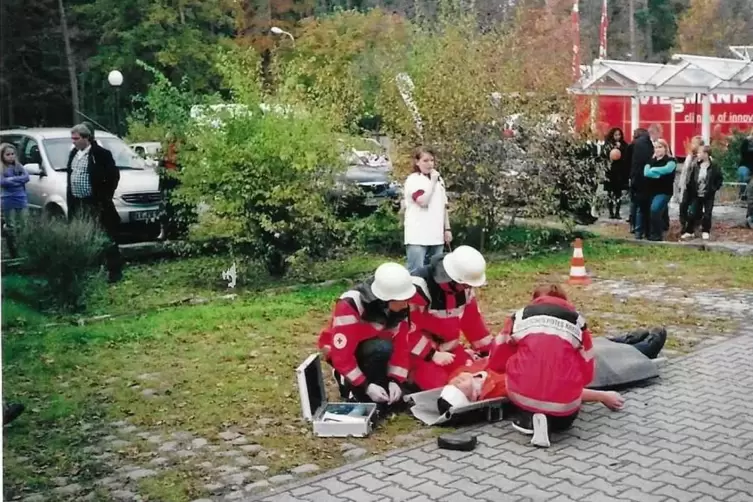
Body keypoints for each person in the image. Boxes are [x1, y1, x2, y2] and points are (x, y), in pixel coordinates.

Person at [486, 284, 594, 448]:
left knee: (517, 366)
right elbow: (587, 369)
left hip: (524, 396)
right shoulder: (578, 322)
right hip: (564, 408)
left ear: (535, 299)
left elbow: (497, 356)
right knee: (564, 420)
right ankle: (552, 423)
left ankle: (529, 420)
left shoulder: (520, 317)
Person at [318, 262, 414, 406]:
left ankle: (378, 382)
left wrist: (395, 380)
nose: (406, 305)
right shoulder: (350, 304)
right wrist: (365, 386)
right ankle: (347, 381)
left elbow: (402, 347)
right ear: (385, 300)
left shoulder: (399, 308)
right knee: (381, 347)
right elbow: (341, 356)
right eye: (402, 301)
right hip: (342, 352)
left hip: (372, 347)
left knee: (383, 349)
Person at [405, 246, 493, 391]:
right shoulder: (418, 288)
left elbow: (473, 322)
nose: (468, 288)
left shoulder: (464, 288)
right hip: (418, 355)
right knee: (442, 388)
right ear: (452, 278)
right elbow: (406, 330)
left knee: (474, 377)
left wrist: (488, 351)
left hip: (450, 351)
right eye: (465, 284)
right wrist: (432, 354)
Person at [66, 123, 123, 283]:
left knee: (105, 236)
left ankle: (114, 271)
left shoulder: (100, 154)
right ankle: (92, 270)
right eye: (73, 139)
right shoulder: (74, 154)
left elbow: (113, 176)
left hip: (96, 203)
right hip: (78, 203)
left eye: (76, 139)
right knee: (84, 236)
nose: (74, 142)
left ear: (86, 138)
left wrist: (104, 196)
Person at [403, 146, 451, 273]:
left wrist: (447, 229)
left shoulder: (440, 181)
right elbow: (423, 201)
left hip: (436, 235)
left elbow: (444, 206)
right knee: (417, 272)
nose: (429, 164)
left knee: (436, 273)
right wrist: (432, 183)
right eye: (425, 160)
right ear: (417, 162)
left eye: (432, 160)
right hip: (418, 235)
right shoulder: (413, 180)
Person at [680, 145, 723, 241]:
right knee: (692, 212)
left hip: (708, 194)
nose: (698, 155)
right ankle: (689, 231)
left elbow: (719, 179)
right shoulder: (695, 165)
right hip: (696, 193)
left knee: (707, 213)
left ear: (706, 154)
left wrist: (714, 188)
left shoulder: (714, 166)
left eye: (700, 153)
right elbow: (690, 178)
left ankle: (706, 231)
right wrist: (690, 189)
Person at [642, 139, 677, 241]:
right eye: (656, 147)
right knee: (656, 212)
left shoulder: (671, 161)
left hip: (664, 191)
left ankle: (657, 234)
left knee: (655, 209)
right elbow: (646, 173)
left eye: (660, 147)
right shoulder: (651, 160)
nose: (657, 150)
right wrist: (658, 175)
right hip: (651, 191)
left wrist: (654, 170)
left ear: (665, 148)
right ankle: (655, 232)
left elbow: (667, 170)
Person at [1, 143, 30, 258]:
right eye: (8, 154)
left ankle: (24, 249)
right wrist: (17, 180)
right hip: (7, 199)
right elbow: (2, 182)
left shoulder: (19, 166)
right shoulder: (1, 168)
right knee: (11, 225)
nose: (11, 156)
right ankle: (14, 251)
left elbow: (26, 177)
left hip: (21, 197)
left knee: (24, 224)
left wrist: (12, 179)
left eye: (13, 154)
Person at [629, 128, 654, 238]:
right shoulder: (648, 145)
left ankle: (637, 230)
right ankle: (647, 232)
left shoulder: (635, 145)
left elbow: (632, 163)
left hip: (637, 178)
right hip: (648, 179)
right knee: (646, 207)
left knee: (638, 206)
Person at [675, 136, 704, 228]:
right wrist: (681, 184)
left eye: (694, 143)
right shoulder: (689, 157)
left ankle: (695, 223)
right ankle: (683, 223)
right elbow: (684, 171)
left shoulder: (704, 157)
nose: (692, 145)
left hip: (698, 187)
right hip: (687, 186)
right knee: (683, 204)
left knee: (695, 206)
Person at [603, 128, 629, 219]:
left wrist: (620, 148)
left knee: (618, 193)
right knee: (610, 193)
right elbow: (604, 155)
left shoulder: (624, 145)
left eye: (619, 135)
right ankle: (610, 212)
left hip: (620, 172)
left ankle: (617, 212)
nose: (617, 137)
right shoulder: (608, 144)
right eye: (615, 135)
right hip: (610, 171)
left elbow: (626, 156)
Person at [740, 135, 753, 201]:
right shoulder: (748, 150)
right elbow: (743, 150)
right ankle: (744, 194)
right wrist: (746, 140)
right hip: (747, 167)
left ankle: (744, 194)